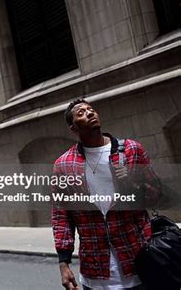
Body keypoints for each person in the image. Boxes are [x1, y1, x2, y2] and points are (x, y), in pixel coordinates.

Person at [52, 99, 162, 290]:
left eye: (91, 109)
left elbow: (157, 195)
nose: (89, 113)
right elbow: (62, 216)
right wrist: (64, 263)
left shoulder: (131, 151)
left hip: (140, 265)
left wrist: (133, 183)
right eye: (81, 113)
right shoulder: (63, 165)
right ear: (73, 127)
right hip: (95, 274)